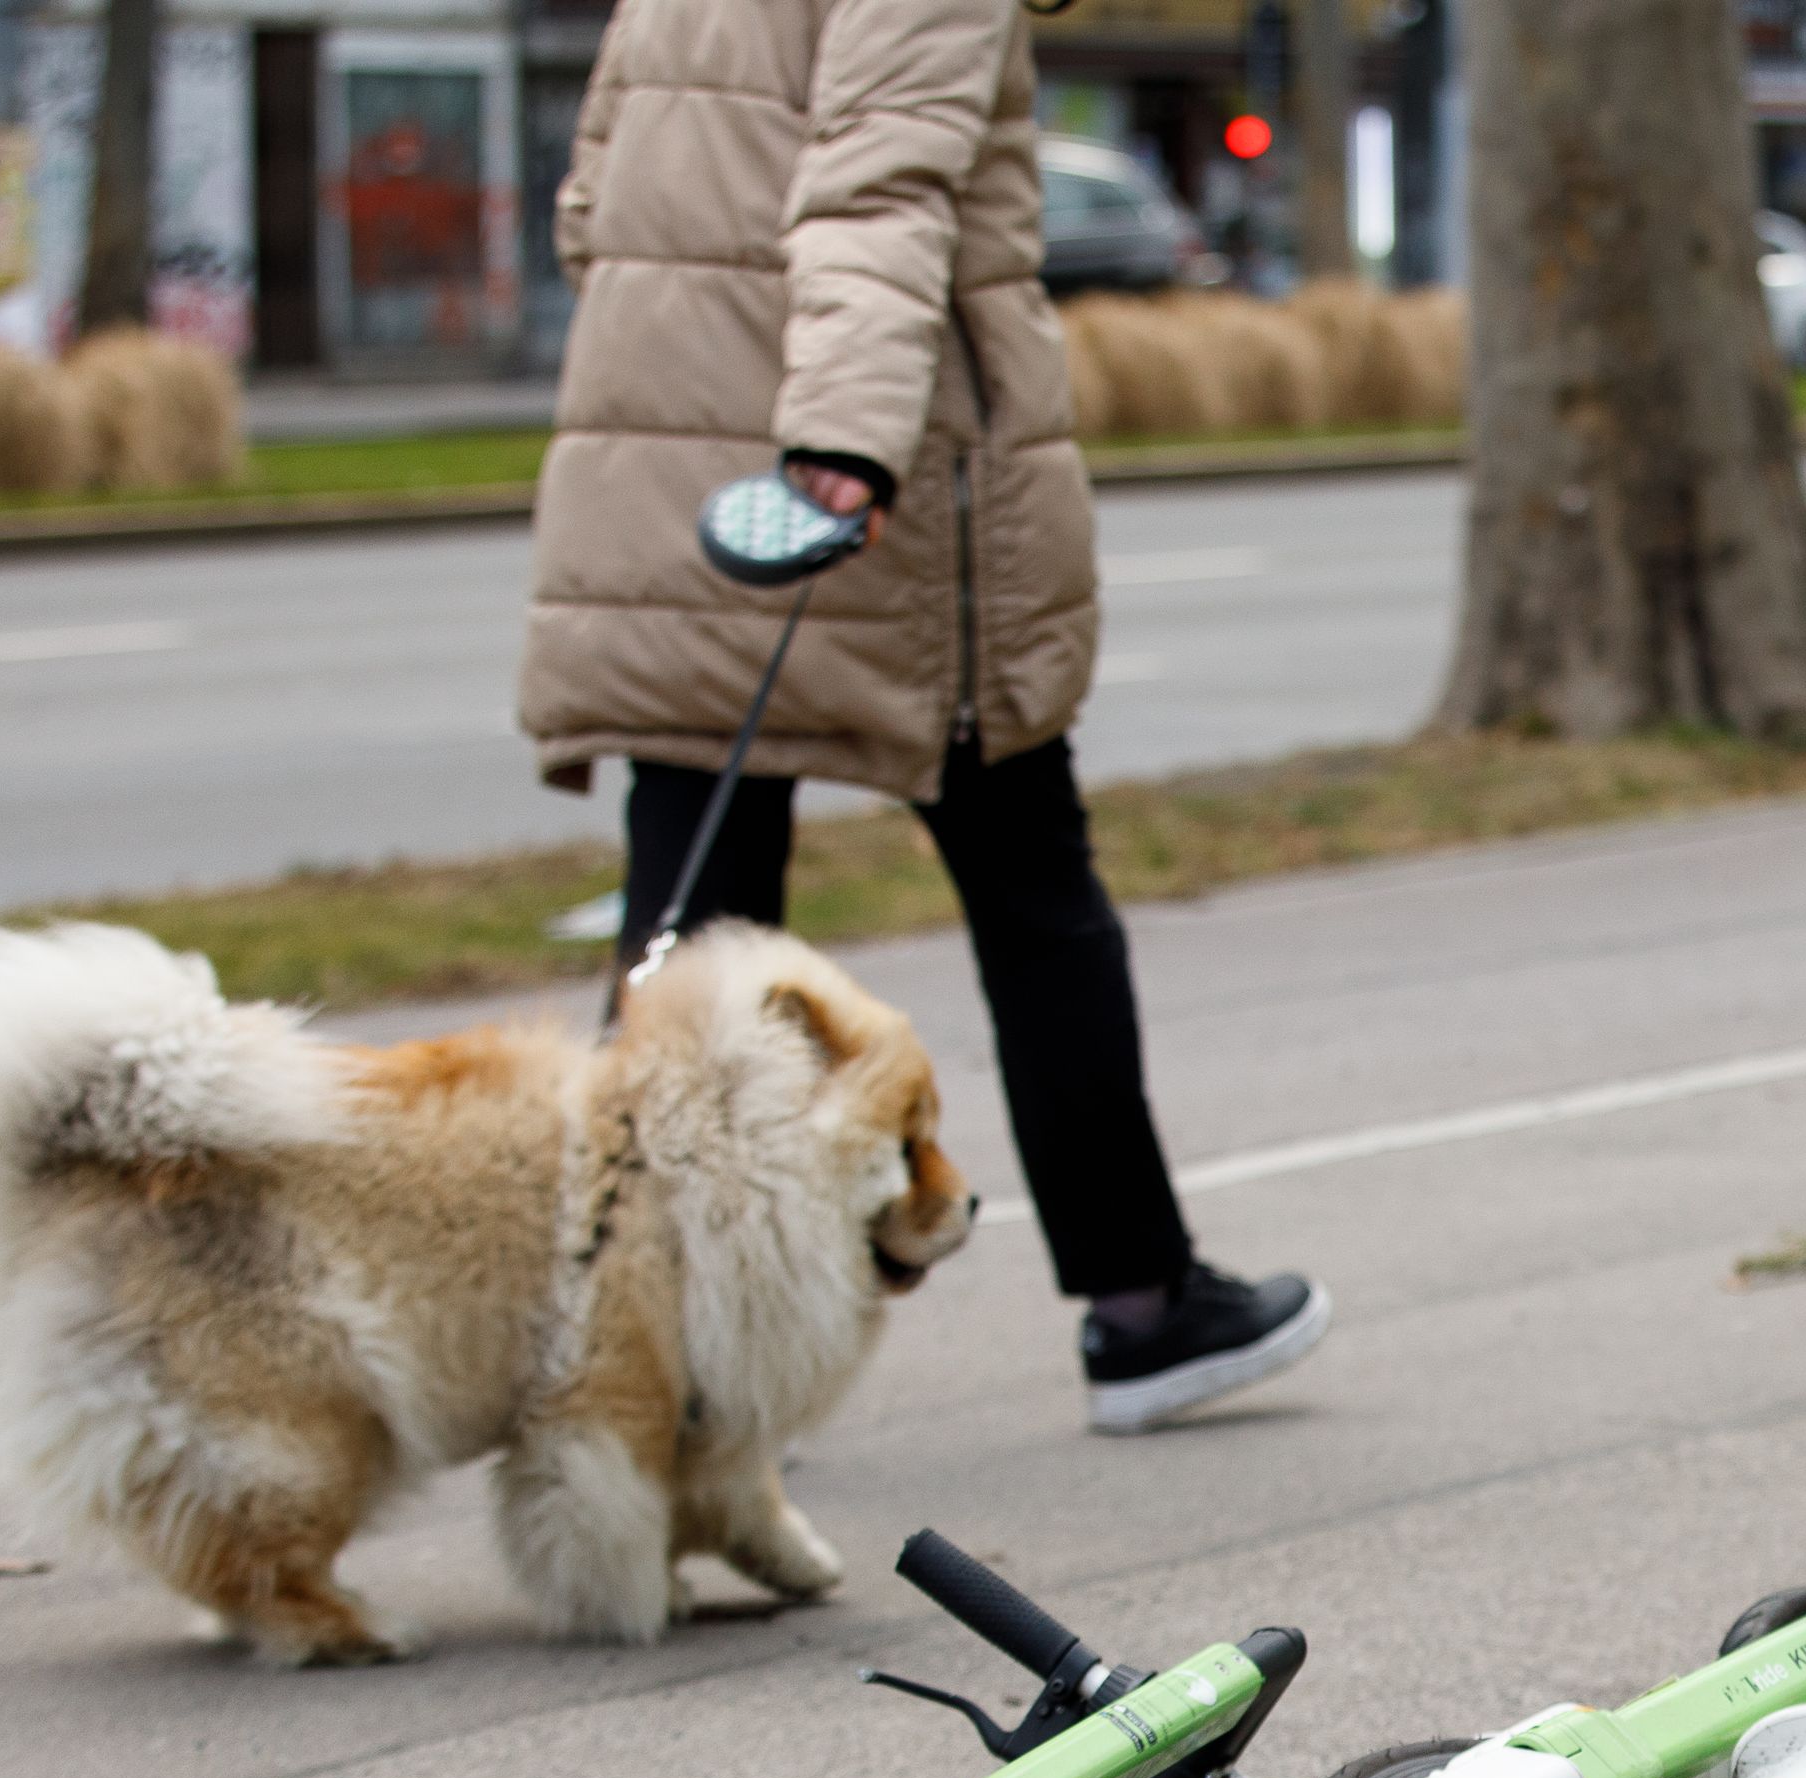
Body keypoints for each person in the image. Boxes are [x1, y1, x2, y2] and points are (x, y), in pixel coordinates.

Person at [516, 0, 1325, 1436]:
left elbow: (595, 201)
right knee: (1034, 886)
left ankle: (645, 1350)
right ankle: (1141, 1305)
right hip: (874, 476)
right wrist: (844, 441)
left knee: (691, 920)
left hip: (674, 469)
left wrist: (701, 384)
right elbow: (876, 192)